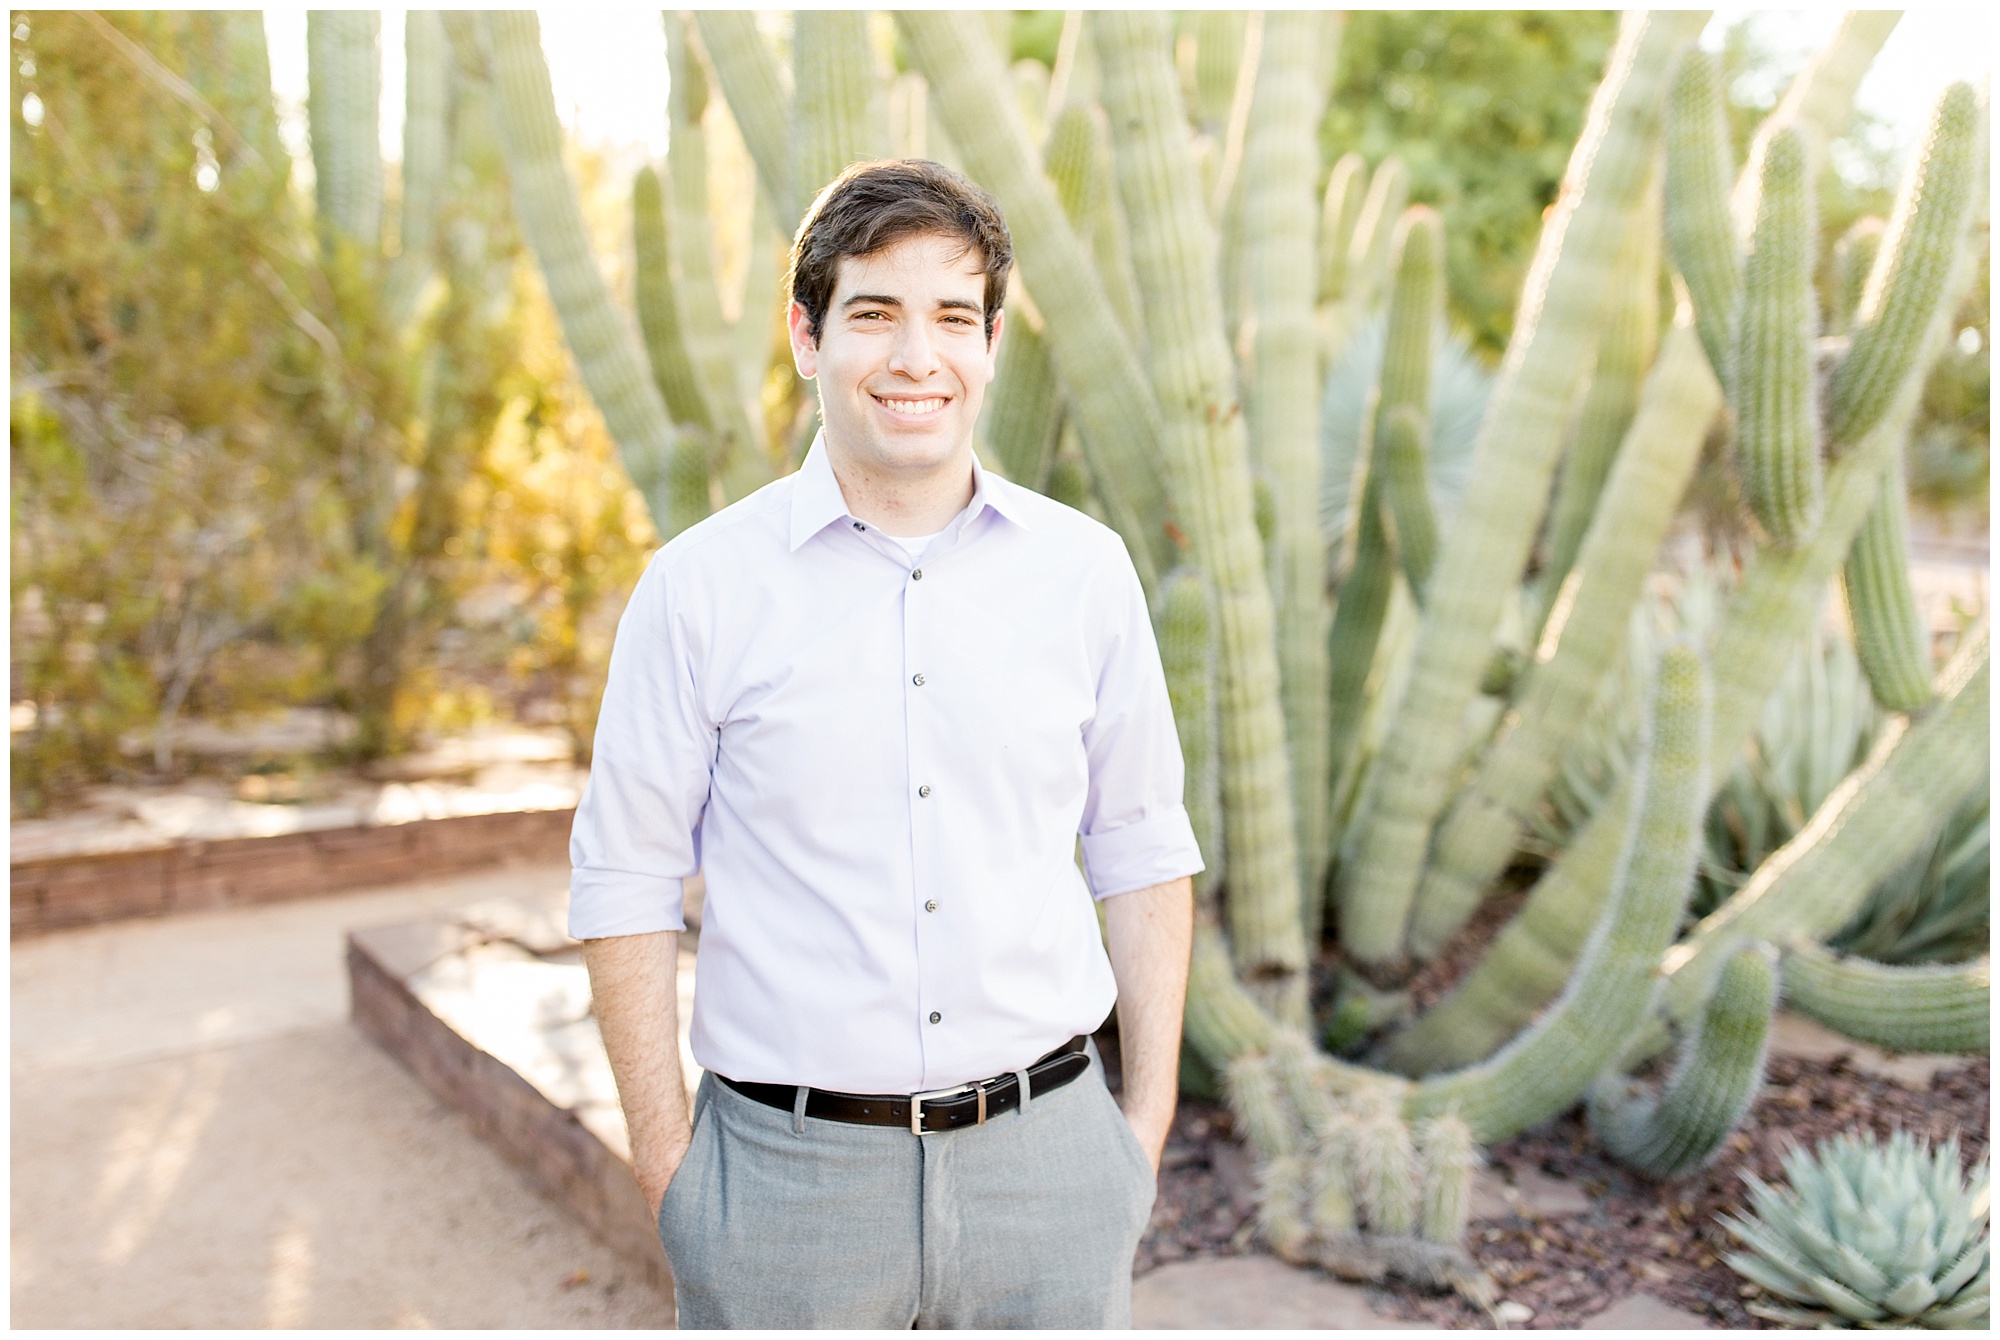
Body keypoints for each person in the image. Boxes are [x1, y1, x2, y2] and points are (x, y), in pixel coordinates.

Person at [568, 158, 1200, 1329]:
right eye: (874, 313)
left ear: (992, 341)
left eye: (951, 317)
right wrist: (671, 1174)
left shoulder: (1084, 574)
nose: (917, 356)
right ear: (806, 335)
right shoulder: (699, 589)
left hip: (1050, 1170)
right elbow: (625, 881)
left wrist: (1139, 1132)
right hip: (783, 1189)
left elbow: (1140, 845)